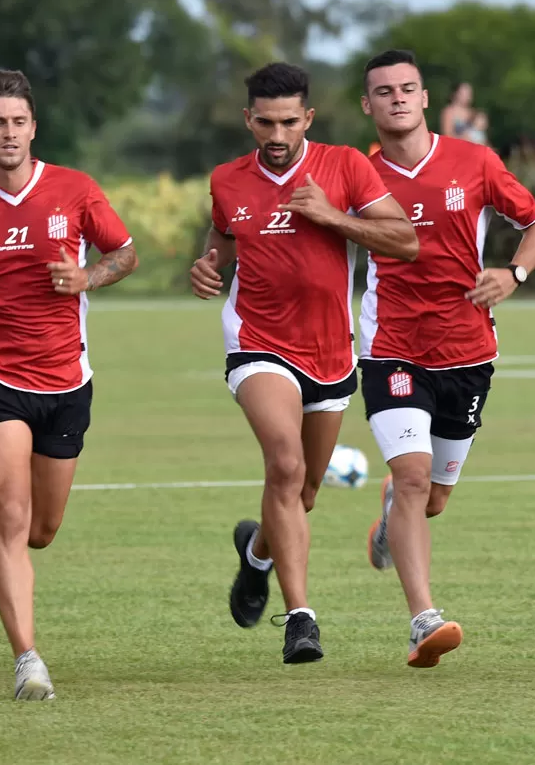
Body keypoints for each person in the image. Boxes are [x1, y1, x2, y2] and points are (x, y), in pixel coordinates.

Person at [0, 69, 137, 700]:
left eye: (18, 122)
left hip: (67, 382)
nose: (8, 133)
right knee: (10, 516)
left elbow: (125, 254)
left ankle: (24, 625)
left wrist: (88, 277)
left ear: (33, 128)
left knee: (41, 529)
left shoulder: (74, 190)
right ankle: (28, 660)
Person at [190, 62, 418, 664]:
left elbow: (406, 240)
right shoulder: (226, 179)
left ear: (307, 119)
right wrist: (207, 266)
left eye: (289, 121)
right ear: (248, 119)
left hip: (330, 349)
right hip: (256, 341)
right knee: (285, 465)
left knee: (303, 491)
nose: (276, 133)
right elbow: (223, 240)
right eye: (264, 121)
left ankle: (256, 556)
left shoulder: (345, 167)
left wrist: (332, 217)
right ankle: (301, 620)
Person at [357, 49, 535, 667]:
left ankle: (394, 508)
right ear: (368, 105)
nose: (396, 99)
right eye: (383, 91)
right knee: (414, 476)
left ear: (423, 98)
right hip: (389, 346)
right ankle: (423, 621)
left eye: (407, 88)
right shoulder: (353, 173)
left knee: (432, 497)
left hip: (468, 349)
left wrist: (514, 272)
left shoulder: (474, 162)